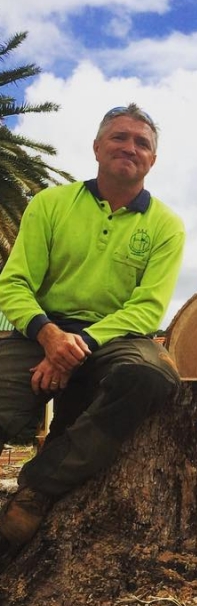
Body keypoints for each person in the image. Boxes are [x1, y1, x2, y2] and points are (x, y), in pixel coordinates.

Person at [0, 104, 185, 561]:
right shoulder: (50, 204)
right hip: (40, 336)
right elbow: (15, 283)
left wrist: (77, 348)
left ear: (153, 161)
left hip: (117, 341)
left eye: (142, 142)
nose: (130, 147)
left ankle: (36, 491)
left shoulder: (166, 226)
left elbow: (146, 308)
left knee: (151, 375)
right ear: (98, 147)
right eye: (120, 137)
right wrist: (50, 338)